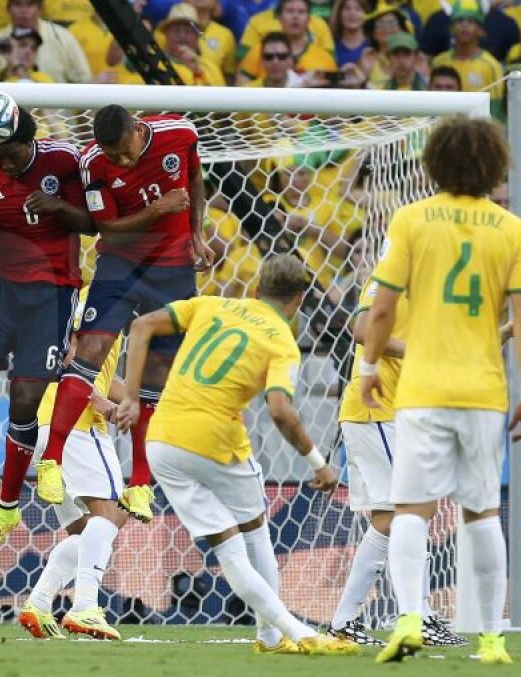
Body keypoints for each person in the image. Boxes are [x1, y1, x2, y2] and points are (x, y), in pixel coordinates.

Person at [363, 116, 521, 666]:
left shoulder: (412, 218)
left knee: (412, 509)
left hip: (422, 388)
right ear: (495, 165)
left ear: (434, 161)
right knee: (481, 512)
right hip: (483, 391)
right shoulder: (513, 229)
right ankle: (491, 639)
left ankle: (411, 618)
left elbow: (385, 304)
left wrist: (370, 364)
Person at [117, 255, 358, 656]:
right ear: (299, 299)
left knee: (229, 550)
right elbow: (280, 410)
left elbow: (141, 325)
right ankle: (292, 634)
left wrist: (131, 397)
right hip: (217, 443)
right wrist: (319, 464)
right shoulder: (282, 341)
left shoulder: (211, 304)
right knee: (255, 532)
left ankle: (271, 636)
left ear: (256, 288)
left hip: (162, 441)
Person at [36, 105, 213, 524]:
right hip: (119, 266)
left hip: (171, 269)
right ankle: (52, 462)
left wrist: (196, 233)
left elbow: (194, 181)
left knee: (158, 373)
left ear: (138, 129)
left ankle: (140, 484)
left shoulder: (180, 133)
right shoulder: (92, 161)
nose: (121, 162)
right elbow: (106, 226)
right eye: (112, 155)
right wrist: (161, 208)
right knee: (91, 350)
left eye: (126, 152)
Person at [0, 103, 94, 556]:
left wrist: (59, 207)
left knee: (25, 398)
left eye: (9, 153)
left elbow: (94, 223)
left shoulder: (64, 161)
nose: (4, 163)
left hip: (51, 294)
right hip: (0, 290)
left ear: (27, 138)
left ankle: (7, 504)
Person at [328, 272, 473, 648]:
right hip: (375, 411)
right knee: (411, 510)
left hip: (394, 414)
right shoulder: (388, 278)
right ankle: (419, 616)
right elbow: (360, 330)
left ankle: (345, 622)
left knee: (390, 517)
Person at [20, 313, 129, 640]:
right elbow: (67, 352)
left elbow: (101, 375)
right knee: (111, 515)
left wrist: (137, 403)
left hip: (46, 423)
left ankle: (39, 603)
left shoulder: (87, 303)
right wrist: (97, 400)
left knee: (85, 532)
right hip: (78, 422)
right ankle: (85, 606)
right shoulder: (101, 302)